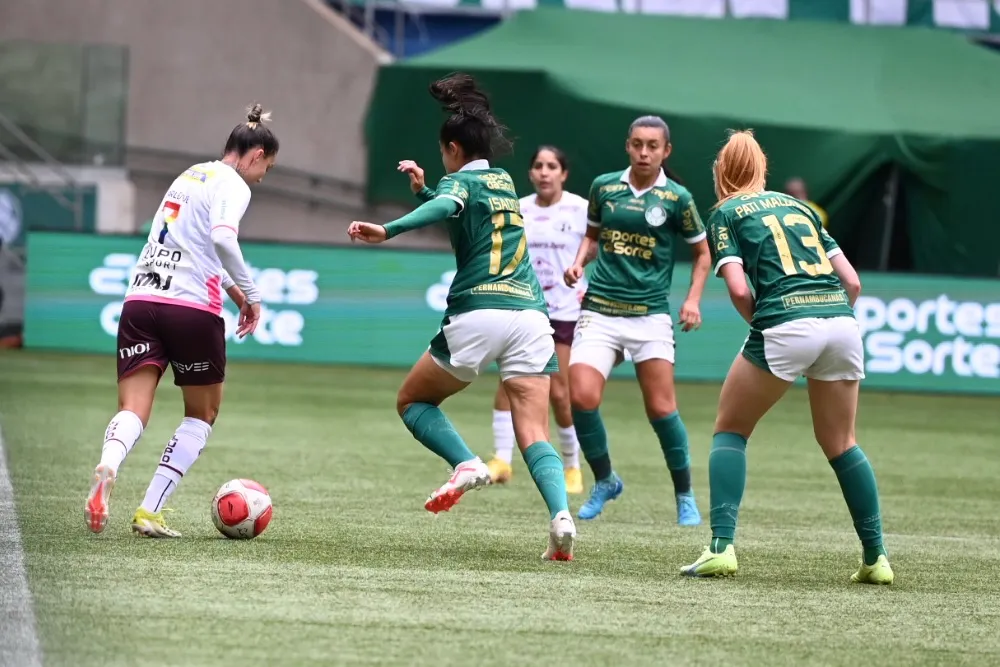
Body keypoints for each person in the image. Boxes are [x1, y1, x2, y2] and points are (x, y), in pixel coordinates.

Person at [348, 73, 576, 561]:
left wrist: (387, 229)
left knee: (413, 401)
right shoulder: (504, 182)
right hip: (532, 317)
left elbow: (450, 203)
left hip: (480, 312)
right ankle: (560, 517)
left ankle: (467, 463)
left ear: (452, 148)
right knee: (533, 431)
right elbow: (458, 208)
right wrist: (423, 188)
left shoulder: (459, 182)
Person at [680, 130, 893, 585]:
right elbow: (852, 283)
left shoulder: (726, 213)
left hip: (784, 321)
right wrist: (823, 319)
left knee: (730, 431)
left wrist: (772, 324)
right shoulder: (798, 207)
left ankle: (720, 548)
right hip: (840, 323)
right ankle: (876, 559)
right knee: (842, 443)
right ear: (762, 169)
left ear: (721, 172)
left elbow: (738, 287)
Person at [85, 104, 277, 537]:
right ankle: (149, 511)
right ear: (256, 153)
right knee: (201, 414)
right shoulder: (235, 185)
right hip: (190, 310)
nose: (264, 176)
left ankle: (108, 465)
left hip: (141, 300)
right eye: (268, 166)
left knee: (133, 408)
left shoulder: (189, 175)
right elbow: (222, 238)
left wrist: (232, 289)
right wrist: (253, 293)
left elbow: (188, 241)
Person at [564, 116, 711, 524]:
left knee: (662, 410)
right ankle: (605, 479)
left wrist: (693, 300)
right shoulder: (604, 187)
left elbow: (703, 254)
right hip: (601, 310)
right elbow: (592, 238)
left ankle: (684, 495)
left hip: (649, 316)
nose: (644, 152)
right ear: (627, 146)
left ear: (666, 151)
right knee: (581, 397)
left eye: (652, 146)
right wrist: (578, 263)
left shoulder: (677, 198)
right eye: (637, 144)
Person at [486, 145, 590, 495]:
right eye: (539, 166)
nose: (545, 172)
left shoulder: (579, 209)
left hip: (564, 309)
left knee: (560, 392)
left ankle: (572, 466)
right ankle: (501, 460)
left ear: (563, 173)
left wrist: (580, 264)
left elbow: (594, 241)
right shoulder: (520, 209)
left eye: (552, 166)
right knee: (507, 381)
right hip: (525, 306)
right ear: (530, 173)